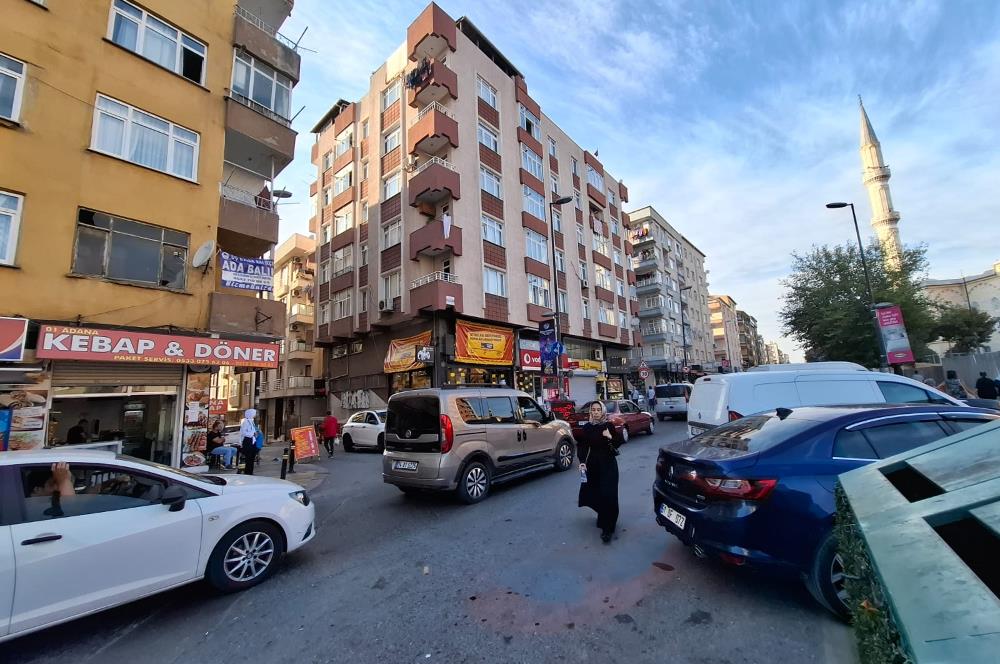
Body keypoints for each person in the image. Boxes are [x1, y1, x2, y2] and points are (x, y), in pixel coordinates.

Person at [577, 401, 620, 544]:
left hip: (608, 465)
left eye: (598, 409)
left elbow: (618, 443)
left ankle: (608, 529)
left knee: (609, 494)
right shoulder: (588, 427)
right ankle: (603, 517)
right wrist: (582, 462)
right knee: (597, 493)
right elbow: (582, 446)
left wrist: (610, 437)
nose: (595, 412)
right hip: (593, 466)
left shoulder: (608, 426)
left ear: (602, 411)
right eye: (593, 410)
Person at [240, 409, 260, 475]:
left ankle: (250, 472)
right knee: (248, 458)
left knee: (252, 457)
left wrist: (255, 433)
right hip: (247, 441)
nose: (255, 415)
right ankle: (247, 472)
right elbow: (243, 432)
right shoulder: (245, 422)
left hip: (252, 441)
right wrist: (252, 434)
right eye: (254, 413)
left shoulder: (251, 421)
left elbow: (252, 430)